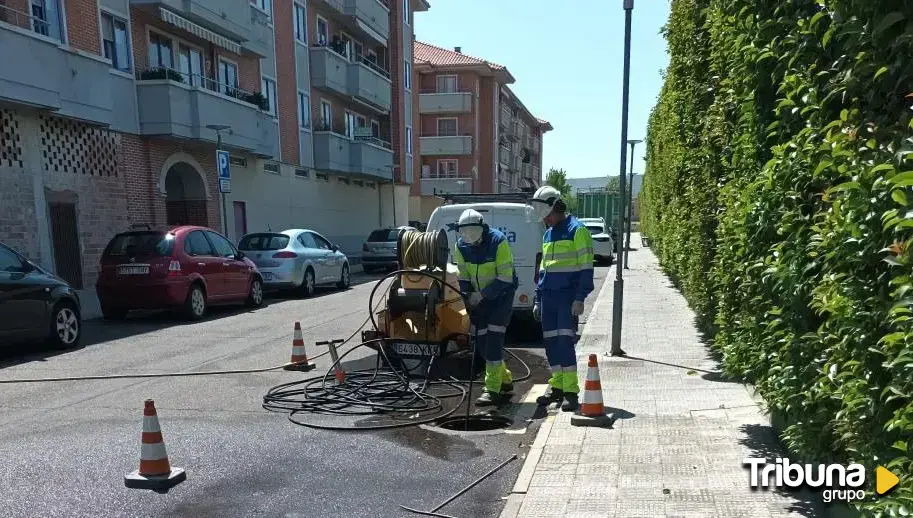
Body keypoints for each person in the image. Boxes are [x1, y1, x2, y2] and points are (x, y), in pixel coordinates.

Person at [529, 186, 595, 411]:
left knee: (565, 344)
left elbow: (586, 268)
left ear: (556, 207)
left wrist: (580, 298)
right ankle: (557, 387)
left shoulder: (578, 231)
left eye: (546, 213)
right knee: (550, 345)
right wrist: (538, 299)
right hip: (548, 298)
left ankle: (570, 392)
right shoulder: (548, 234)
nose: (544, 218)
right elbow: (543, 272)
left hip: (567, 299)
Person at [454, 209, 518, 406]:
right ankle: (505, 379)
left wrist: (482, 294)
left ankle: (492, 389)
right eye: (465, 233)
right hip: (479, 300)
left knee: (493, 339)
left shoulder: (498, 241)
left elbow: (505, 277)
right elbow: (463, 275)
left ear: (482, 228)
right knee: (481, 342)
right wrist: (467, 296)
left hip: (501, 297)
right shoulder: (461, 246)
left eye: (473, 233)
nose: (469, 238)